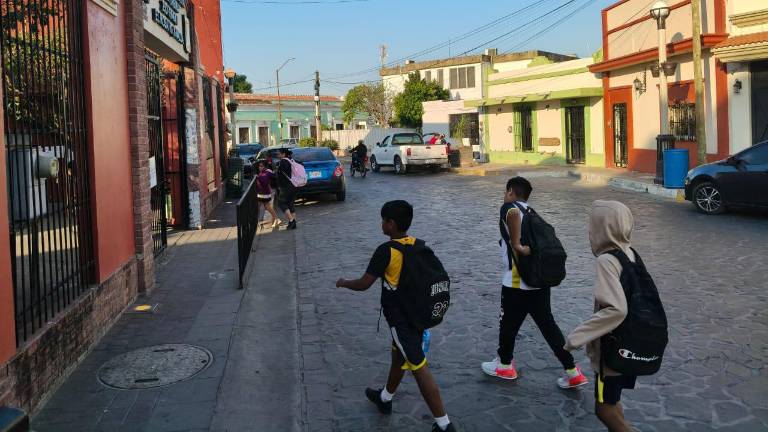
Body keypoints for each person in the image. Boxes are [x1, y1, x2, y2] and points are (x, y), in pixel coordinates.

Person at [335, 200, 456, 432]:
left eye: (383, 220)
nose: (381, 224)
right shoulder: (416, 244)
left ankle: (444, 424)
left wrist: (343, 283)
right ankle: (385, 398)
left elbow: (364, 284)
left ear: (391, 224)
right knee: (399, 357)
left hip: (402, 320)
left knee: (417, 365)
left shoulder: (386, 251)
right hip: (417, 313)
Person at [481, 177, 588, 389]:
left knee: (508, 325)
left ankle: (504, 365)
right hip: (539, 280)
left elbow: (510, 215)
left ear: (511, 191)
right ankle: (572, 371)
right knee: (548, 326)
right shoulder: (532, 213)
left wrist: (516, 243)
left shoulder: (510, 208)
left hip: (517, 280)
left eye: (505, 192)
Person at [564, 201, 636, 432]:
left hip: (611, 350)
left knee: (603, 409)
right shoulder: (630, 253)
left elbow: (617, 309)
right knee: (613, 404)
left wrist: (578, 336)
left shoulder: (607, 260)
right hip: (630, 343)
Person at [254, 161, 281, 229]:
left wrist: (258, 177)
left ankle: (276, 219)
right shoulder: (264, 173)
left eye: (261, 166)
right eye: (259, 166)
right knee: (266, 207)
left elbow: (264, 181)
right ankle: (276, 219)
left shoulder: (266, 173)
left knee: (260, 207)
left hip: (263, 194)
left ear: (265, 167)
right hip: (263, 193)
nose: (260, 167)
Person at [276, 148, 297, 230]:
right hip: (293, 185)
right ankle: (293, 222)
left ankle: (291, 221)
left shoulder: (283, 162)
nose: (277, 155)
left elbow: (281, 172)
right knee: (290, 203)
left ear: (283, 154)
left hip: (286, 186)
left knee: (281, 203)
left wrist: (278, 168)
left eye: (279, 153)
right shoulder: (291, 160)